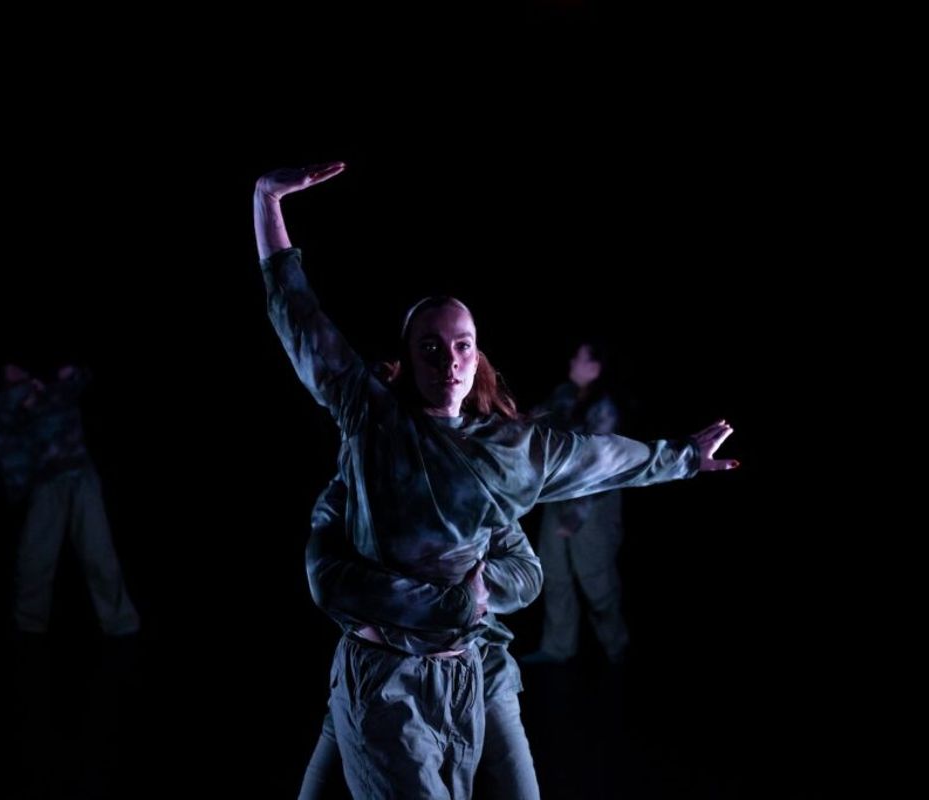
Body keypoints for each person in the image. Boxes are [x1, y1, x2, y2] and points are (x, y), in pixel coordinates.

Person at [255, 161, 737, 799]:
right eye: (429, 347)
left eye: (462, 346)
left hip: (465, 668)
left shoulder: (508, 450)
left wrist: (682, 458)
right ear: (407, 357)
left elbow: (597, 458)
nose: (448, 361)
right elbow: (300, 319)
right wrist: (267, 205)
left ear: (476, 355)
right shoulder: (374, 421)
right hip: (384, 675)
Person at [299, 474, 543, 799]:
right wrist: (458, 601)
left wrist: (476, 586)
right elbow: (329, 581)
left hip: (480, 663)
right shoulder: (356, 484)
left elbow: (526, 571)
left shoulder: (470, 479)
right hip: (386, 674)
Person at [0, 363, 140, 637]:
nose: (15, 371)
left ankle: (121, 623)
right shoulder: (8, 405)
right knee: (34, 558)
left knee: (99, 553)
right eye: (9, 370)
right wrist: (24, 396)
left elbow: (81, 377)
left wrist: (64, 377)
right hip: (46, 485)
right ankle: (29, 624)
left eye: (18, 368)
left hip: (80, 477)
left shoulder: (54, 390)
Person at [522, 339, 632, 666]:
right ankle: (558, 647)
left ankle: (617, 647)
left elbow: (600, 469)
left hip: (593, 504)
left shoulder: (604, 410)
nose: (572, 361)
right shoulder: (564, 395)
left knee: (596, 580)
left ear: (595, 369)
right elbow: (533, 419)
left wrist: (575, 517)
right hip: (559, 494)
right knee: (554, 573)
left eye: (580, 358)